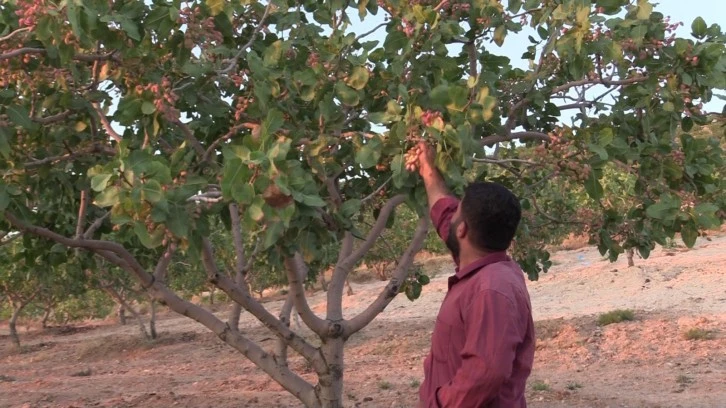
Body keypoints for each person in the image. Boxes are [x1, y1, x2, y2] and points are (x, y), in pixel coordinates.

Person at [412, 142, 535, 408]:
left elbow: (484, 375)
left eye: (458, 210)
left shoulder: (491, 290)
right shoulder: (484, 264)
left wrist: (438, 404)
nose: (452, 213)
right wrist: (428, 170)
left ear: (463, 230)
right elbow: (445, 216)